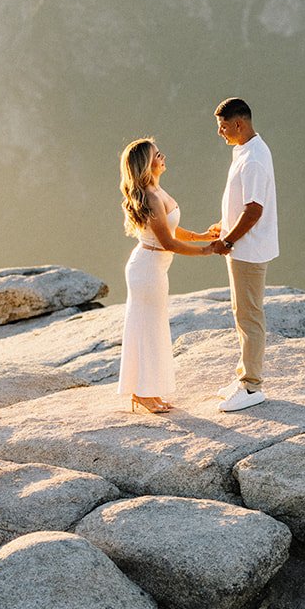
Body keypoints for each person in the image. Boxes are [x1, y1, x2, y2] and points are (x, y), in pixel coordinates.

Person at [117, 137, 216, 413]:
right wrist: (207, 250)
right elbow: (168, 242)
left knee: (153, 327)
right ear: (147, 165)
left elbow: (172, 228)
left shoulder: (156, 190)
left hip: (153, 267)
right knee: (146, 328)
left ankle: (148, 390)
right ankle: (141, 392)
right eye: (157, 155)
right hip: (147, 267)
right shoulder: (149, 196)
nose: (163, 157)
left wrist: (201, 236)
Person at [209, 97, 279, 411]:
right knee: (242, 313)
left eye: (223, 127)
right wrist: (224, 226)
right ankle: (243, 377)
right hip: (242, 247)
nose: (220, 133)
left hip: (247, 249)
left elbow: (253, 210)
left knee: (250, 316)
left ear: (239, 123)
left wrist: (228, 240)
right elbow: (243, 205)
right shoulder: (248, 151)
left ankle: (252, 387)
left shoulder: (253, 159)